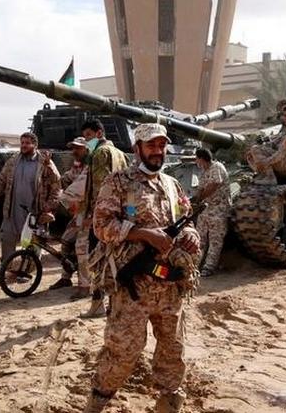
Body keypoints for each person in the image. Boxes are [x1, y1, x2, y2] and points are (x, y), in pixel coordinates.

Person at [83, 123, 201, 413]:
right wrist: (145, 234)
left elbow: (187, 221)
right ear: (137, 149)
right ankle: (96, 403)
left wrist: (191, 237)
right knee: (123, 351)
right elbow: (101, 227)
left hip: (170, 286)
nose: (157, 151)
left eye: (161, 145)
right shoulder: (119, 182)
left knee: (172, 351)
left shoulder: (172, 185)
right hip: (133, 287)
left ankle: (169, 403)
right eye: (151, 145)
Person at [74, 119, 129, 314]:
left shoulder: (99, 153)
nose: (86, 140)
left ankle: (97, 305)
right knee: (116, 260)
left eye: (88, 135)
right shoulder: (120, 154)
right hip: (120, 217)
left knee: (96, 261)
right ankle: (115, 304)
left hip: (104, 218)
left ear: (98, 134)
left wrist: (94, 215)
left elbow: (100, 188)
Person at [0, 132, 61, 265]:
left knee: (33, 243)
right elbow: (1, 180)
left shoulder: (44, 163)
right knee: (7, 239)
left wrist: (50, 205)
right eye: (22, 143)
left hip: (34, 212)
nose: (23, 146)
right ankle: (7, 268)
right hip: (12, 210)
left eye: (27, 143)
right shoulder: (14, 161)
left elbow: (56, 186)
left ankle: (28, 271)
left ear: (35, 145)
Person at [50, 137, 89, 290]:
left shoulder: (93, 165)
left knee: (82, 248)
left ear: (86, 149)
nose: (74, 151)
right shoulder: (77, 167)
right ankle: (66, 277)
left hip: (91, 215)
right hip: (78, 214)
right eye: (73, 148)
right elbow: (63, 180)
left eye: (78, 148)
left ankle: (85, 284)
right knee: (66, 242)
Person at [246, 101, 286, 184]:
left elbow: (281, 154)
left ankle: (270, 178)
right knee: (253, 151)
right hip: (282, 159)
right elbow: (273, 143)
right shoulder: (284, 131)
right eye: (284, 115)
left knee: (256, 150)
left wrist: (265, 162)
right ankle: (264, 174)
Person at [193, 147, 230, 277]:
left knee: (215, 240)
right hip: (206, 209)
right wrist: (194, 199)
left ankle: (209, 267)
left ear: (202, 159)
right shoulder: (204, 171)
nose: (196, 161)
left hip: (219, 209)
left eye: (197, 158)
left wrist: (199, 198)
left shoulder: (217, 167)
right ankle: (195, 264)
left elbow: (214, 185)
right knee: (199, 238)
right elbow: (200, 188)